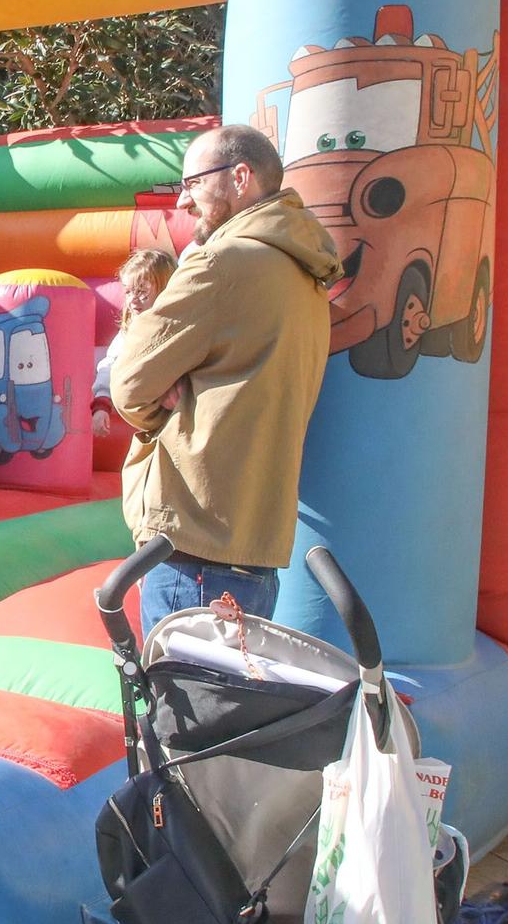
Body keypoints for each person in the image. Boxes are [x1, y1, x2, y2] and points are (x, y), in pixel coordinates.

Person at [111, 124, 342, 636]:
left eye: (192, 183)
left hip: (193, 540)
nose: (185, 201)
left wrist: (161, 410)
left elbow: (127, 383)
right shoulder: (306, 274)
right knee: (231, 707)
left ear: (240, 177)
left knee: (180, 711)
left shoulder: (221, 262)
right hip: (254, 546)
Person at [92, 248, 178, 439]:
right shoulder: (130, 332)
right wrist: (102, 404)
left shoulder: (177, 327)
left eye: (142, 292)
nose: (132, 300)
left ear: (165, 290)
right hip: (152, 415)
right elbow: (111, 364)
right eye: (128, 291)